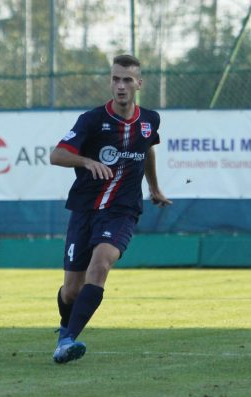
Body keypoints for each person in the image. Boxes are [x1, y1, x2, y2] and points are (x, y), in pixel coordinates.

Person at [49, 54, 171, 364]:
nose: (121, 86)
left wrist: (154, 188)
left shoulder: (150, 120)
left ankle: (66, 341)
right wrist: (86, 160)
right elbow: (56, 155)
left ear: (138, 84)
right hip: (85, 209)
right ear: (110, 82)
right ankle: (66, 325)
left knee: (101, 264)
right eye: (116, 79)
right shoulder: (92, 119)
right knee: (71, 292)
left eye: (127, 80)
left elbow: (148, 152)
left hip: (122, 210)